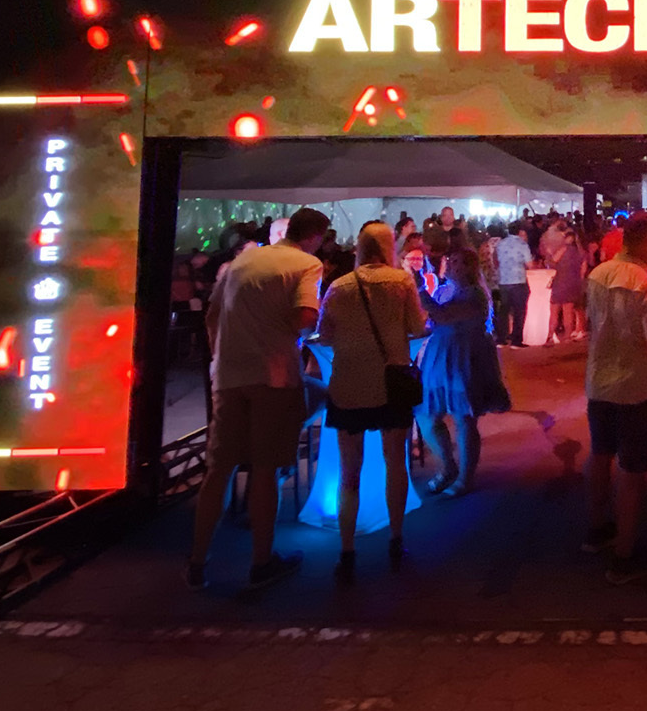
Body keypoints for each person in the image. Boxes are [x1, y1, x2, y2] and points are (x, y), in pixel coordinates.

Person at [187, 206, 329, 593]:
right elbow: (305, 317)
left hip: (229, 375)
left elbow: (213, 315)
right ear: (315, 236)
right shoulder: (305, 264)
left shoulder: (242, 262)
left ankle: (198, 561)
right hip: (274, 375)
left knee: (219, 470)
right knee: (266, 469)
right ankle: (261, 561)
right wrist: (282, 334)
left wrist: (224, 356)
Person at [316, 222, 428, 582]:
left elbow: (326, 333)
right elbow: (417, 326)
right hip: (390, 382)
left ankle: (347, 550)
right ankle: (396, 539)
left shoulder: (339, 286)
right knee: (395, 462)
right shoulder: (401, 282)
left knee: (350, 473)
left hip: (348, 384)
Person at [583, 213, 647, 583]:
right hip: (637, 386)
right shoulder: (646, 286)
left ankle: (596, 529)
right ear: (641, 240)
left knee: (600, 453)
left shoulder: (598, 275)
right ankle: (624, 554)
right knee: (633, 471)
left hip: (600, 382)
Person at [416, 249, 511, 496]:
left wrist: (420, 290)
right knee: (427, 415)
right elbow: (433, 321)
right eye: (452, 261)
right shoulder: (444, 289)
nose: (453, 266)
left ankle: (465, 478)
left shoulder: (476, 293)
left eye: (460, 262)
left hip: (466, 356)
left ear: (470, 267)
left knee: (463, 417)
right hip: (440, 354)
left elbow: (444, 315)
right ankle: (448, 466)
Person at [496, 222, 533, 346]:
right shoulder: (522, 244)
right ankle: (516, 340)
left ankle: (501, 338)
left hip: (503, 281)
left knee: (504, 310)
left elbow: (496, 261)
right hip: (518, 281)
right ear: (519, 231)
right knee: (519, 311)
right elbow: (530, 265)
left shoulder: (500, 244)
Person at [546, 229, 586, 344]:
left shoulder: (562, 250)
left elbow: (552, 263)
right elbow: (582, 273)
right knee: (568, 313)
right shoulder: (581, 253)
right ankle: (567, 337)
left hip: (560, 283)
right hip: (573, 285)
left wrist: (549, 255)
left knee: (554, 312)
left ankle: (549, 337)